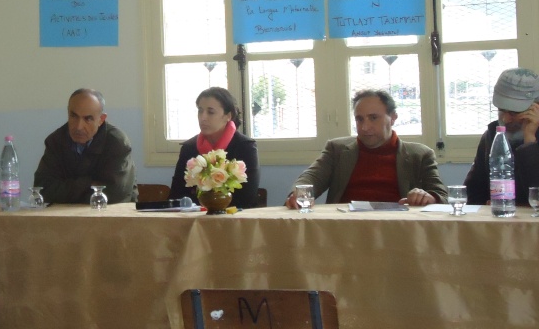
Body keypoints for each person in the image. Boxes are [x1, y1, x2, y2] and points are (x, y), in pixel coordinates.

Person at [285, 89, 446, 208]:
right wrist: (298, 194)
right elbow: (311, 178)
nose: (365, 127)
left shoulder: (420, 154)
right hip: (343, 230)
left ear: (393, 118)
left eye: (373, 118)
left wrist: (428, 197)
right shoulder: (337, 149)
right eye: (359, 119)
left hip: (398, 230)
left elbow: (441, 195)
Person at [34, 88, 137, 204]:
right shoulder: (55, 141)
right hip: (66, 216)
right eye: (73, 116)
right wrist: (89, 183)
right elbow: (42, 190)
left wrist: (68, 189)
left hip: (112, 216)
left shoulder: (117, 142)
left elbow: (114, 194)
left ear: (101, 120)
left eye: (88, 119)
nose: (78, 127)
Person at [170, 87, 260, 208]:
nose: (203, 117)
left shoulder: (244, 147)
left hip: (234, 219)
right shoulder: (189, 147)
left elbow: (247, 197)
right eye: (200, 111)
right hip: (195, 219)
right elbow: (176, 194)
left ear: (228, 116)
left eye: (210, 112)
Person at [464, 67, 539, 205]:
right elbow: (474, 189)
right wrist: (483, 208)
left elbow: (536, 195)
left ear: (535, 108)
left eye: (513, 112)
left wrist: (529, 143)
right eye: (501, 110)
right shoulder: (493, 135)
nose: (505, 119)